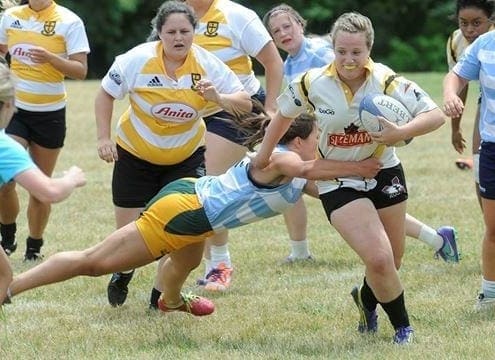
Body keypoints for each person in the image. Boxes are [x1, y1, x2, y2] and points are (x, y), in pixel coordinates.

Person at [2, 108, 383, 316]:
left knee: (186, 260)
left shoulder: (290, 169)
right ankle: (9, 288)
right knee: (93, 262)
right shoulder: (282, 159)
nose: (321, 143)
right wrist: (359, 167)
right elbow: (308, 170)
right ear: (299, 139)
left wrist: (379, 189)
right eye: (317, 137)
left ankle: (168, 302)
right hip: (185, 209)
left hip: (195, 206)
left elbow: (332, 194)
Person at [252, 12, 445, 344]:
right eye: (341, 51)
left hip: (384, 172)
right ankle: (403, 328)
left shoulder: (385, 81)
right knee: (379, 258)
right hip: (338, 179)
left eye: (356, 52)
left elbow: (435, 115)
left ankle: (366, 300)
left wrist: (402, 131)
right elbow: (283, 115)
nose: (348, 59)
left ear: (369, 49)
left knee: (391, 262)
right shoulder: (313, 82)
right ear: (333, 46)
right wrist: (263, 155)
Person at [263, 3, 460, 264]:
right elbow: (298, 109)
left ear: (300, 24)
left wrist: (399, 131)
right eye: (276, 31)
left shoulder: (322, 55)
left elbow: (346, 95)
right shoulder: (293, 64)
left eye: (287, 26)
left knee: (382, 236)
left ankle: (435, 238)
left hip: (361, 156)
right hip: (328, 149)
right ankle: (301, 250)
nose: (283, 33)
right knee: (308, 185)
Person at [97, 0, 251, 308]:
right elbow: (105, 93)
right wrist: (103, 137)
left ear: (195, 32)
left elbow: (246, 102)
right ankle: (124, 271)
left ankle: (159, 297)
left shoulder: (207, 64)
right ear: (159, 33)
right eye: (171, 32)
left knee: (181, 233)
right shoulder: (137, 59)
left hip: (185, 158)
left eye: (185, 31)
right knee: (129, 234)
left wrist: (217, 97)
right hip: (135, 155)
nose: (178, 38)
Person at [0, 0, 90, 261]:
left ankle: (34, 245)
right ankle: (7, 235)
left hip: (50, 114)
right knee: (6, 181)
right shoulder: (11, 16)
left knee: (40, 189)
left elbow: (81, 70)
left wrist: (51, 59)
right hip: (15, 111)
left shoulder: (69, 20)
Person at [0, 61, 86, 304]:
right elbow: (49, 192)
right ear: (8, 104)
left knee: (4, 274)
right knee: (3, 277)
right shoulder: (5, 147)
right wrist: (72, 178)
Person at [444, 25, 495, 310]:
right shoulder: (485, 44)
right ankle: (489, 295)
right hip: (492, 148)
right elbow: (456, 75)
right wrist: (451, 94)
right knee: (494, 228)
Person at [447, 0, 494, 208]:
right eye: (463, 23)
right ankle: (489, 224)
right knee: (479, 162)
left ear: (491, 21)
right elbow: (460, 84)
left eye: (477, 23)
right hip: (486, 99)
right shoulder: (456, 42)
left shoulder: (490, 40)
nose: (469, 29)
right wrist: (455, 128)